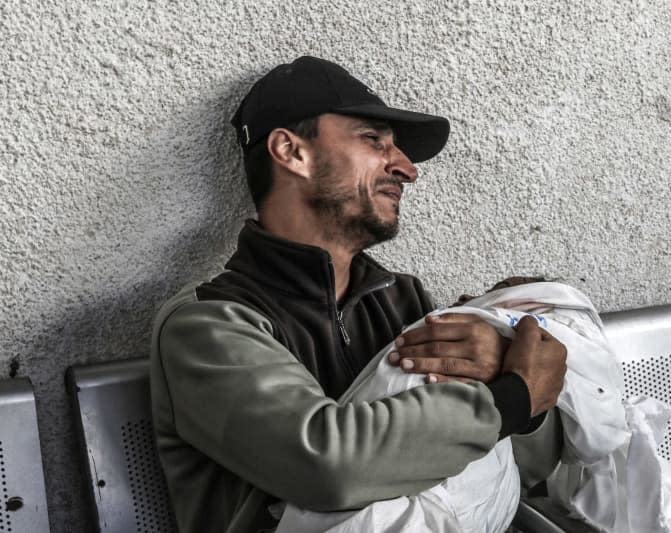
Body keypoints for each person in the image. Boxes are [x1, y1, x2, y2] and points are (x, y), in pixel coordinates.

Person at [150, 56, 568, 533]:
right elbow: (326, 465)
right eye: (374, 140)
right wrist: (508, 398)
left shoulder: (401, 298)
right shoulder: (209, 325)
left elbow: (520, 468)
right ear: (291, 151)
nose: (407, 169)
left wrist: (514, 368)